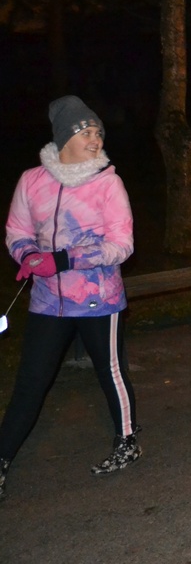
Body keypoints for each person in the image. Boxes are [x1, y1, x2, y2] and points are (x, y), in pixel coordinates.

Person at [1, 96, 138, 501]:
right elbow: (17, 231)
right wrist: (27, 254)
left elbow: (122, 244)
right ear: (64, 138)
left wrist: (63, 259)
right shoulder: (32, 181)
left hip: (98, 298)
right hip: (48, 302)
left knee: (110, 372)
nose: (96, 139)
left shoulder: (107, 183)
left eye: (98, 132)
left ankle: (127, 441)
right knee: (31, 381)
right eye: (86, 132)